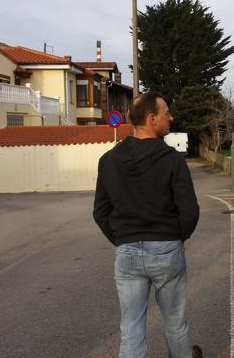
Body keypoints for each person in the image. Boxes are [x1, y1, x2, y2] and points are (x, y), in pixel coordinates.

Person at [93, 92, 202, 358]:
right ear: (152, 119)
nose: (171, 118)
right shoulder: (172, 160)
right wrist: (174, 238)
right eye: (167, 114)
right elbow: (190, 211)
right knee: (174, 322)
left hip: (127, 253)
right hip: (167, 250)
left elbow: (101, 212)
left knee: (131, 329)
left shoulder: (108, 160)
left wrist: (123, 239)